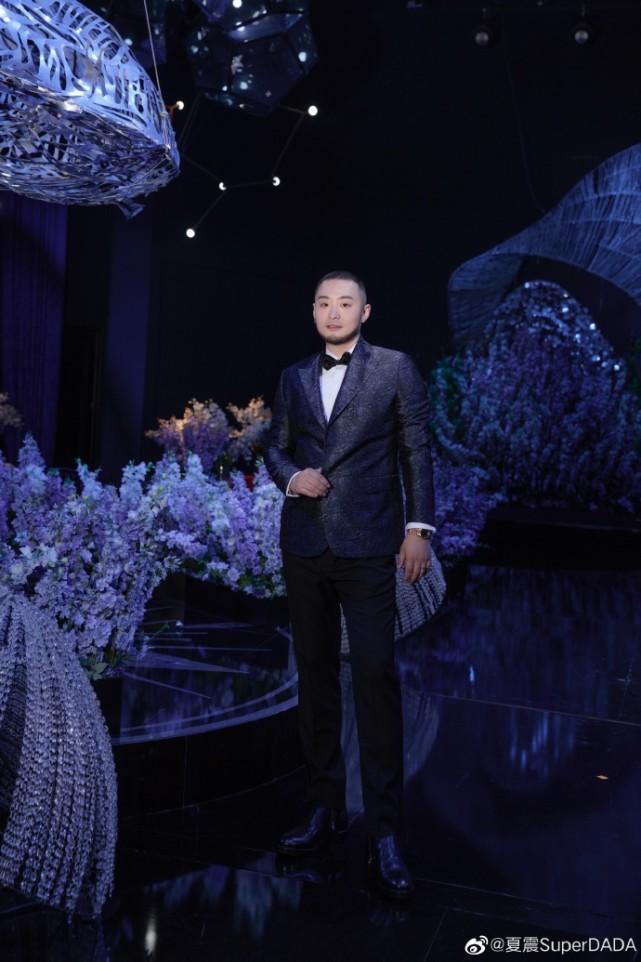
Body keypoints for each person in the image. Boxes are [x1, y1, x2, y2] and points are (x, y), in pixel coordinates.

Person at [263, 270, 435, 900]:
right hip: (305, 543)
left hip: (368, 546)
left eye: (344, 303)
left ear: (366, 311)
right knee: (313, 680)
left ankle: (384, 831)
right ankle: (324, 807)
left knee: (374, 679)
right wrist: (291, 477)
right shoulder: (293, 376)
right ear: (313, 312)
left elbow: (416, 449)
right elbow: (275, 446)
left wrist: (418, 528)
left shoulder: (394, 368)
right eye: (322, 303)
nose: (332, 312)